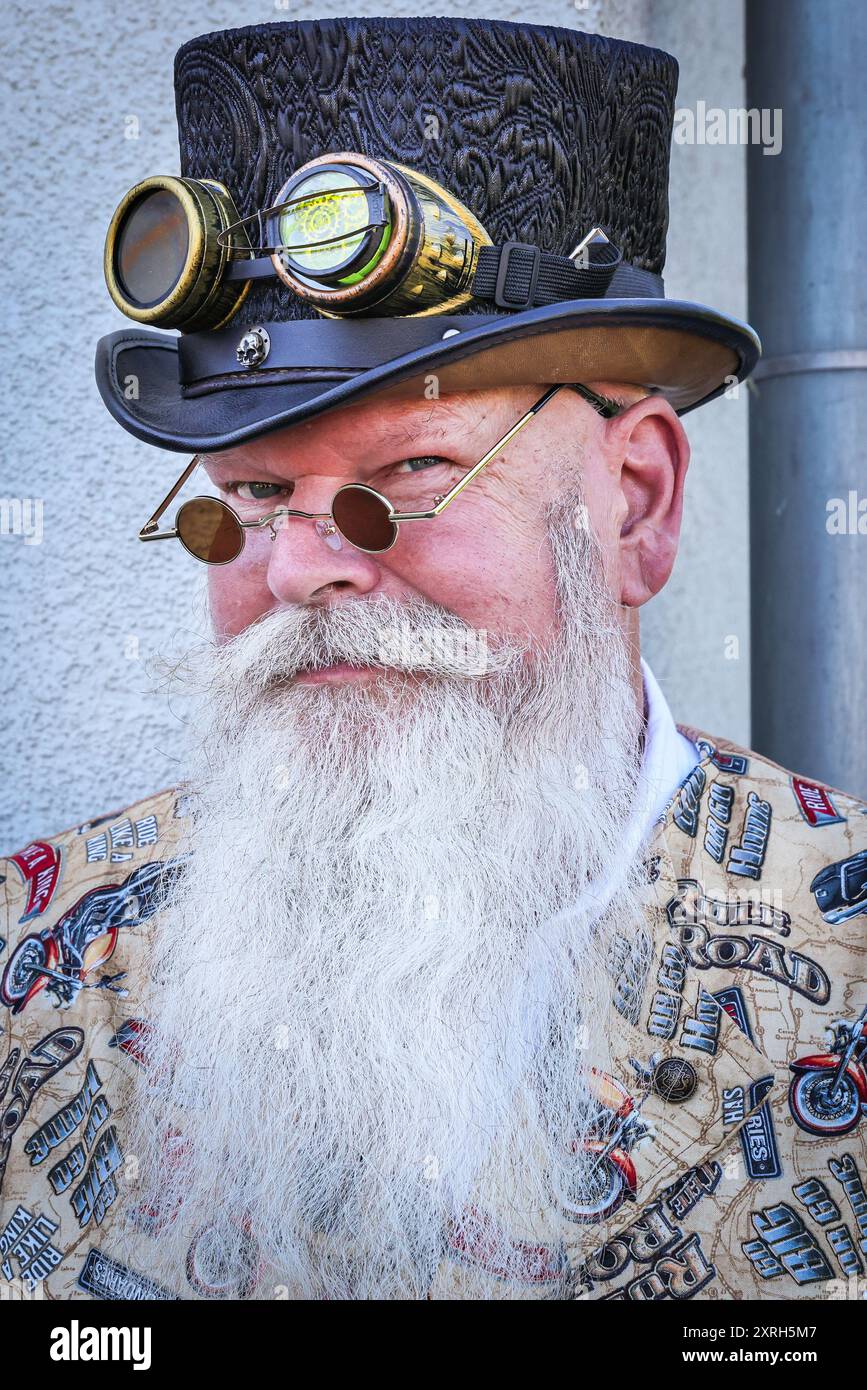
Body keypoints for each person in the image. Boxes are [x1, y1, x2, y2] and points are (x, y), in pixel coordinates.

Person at [1, 16, 864, 1302]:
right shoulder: (33, 953)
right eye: (245, 494)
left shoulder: (845, 959)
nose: (299, 571)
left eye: (410, 471)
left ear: (632, 503)